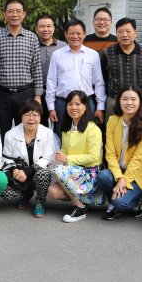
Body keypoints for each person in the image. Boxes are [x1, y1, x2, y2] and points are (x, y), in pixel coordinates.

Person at [0, 0, 44, 139]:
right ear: (4, 15)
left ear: (23, 14)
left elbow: (36, 68)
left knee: (26, 132)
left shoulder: (32, 38)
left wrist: (37, 97)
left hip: (25, 93)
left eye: (18, 11)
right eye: (11, 11)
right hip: (1, 95)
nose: (14, 14)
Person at [47, 91, 104, 223]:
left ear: (85, 106)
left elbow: (93, 157)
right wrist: (60, 161)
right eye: (70, 104)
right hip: (74, 170)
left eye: (78, 104)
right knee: (53, 191)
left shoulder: (93, 128)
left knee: (58, 172)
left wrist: (67, 159)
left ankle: (79, 207)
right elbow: (63, 150)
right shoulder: (67, 127)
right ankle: (84, 200)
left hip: (90, 173)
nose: (73, 107)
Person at [46, 19, 106, 144]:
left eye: (78, 33)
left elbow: (99, 83)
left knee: (87, 139)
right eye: (71, 33)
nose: (75, 36)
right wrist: (51, 107)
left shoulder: (93, 55)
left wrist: (100, 107)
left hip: (87, 103)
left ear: (84, 34)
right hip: (63, 104)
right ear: (65, 34)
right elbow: (51, 83)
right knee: (63, 139)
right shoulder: (57, 55)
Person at [98, 86, 142, 220]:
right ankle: (113, 203)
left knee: (121, 203)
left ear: (140, 102)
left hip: (137, 175)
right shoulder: (112, 120)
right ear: (119, 101)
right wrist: (119, 178)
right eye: (125, 99)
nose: (129, 103)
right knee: (103, 176)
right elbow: (110, 154)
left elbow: (138, 158)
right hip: (118, 172)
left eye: (133, 99)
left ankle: (138, 200)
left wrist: (125, 180)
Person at [0, 99, 55, 218]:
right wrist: (14, 170)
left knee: (43, 174)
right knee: (5, 193)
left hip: (37, 174)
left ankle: (40, 200)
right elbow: (6, 158)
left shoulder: (47, 133)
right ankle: (26, 193)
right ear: (21, 116)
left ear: (40, 117)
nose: (31, 119)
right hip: (19, 176)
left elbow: (47, 159)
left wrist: (27, 171)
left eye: (35, 115)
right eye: (27, 115)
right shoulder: (10, 134)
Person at [101, 17, 142, 117]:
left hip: (137, 101)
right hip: (114, 101)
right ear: (116, 33)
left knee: (138, 126)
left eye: (128, 31)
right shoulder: (108, 52)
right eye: (120, 31)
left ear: (135, 33)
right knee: (113, 127)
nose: (124, 35)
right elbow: (104, 78)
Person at [35, 14, 66, 127]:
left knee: (59, 124)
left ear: (53, 28)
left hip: (57, 93)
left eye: (49, 26)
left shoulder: (63, 46)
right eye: (42, 26)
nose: (45, 29)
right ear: (36, 29)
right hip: (37, 92)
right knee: (39, 125)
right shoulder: (32, 46)